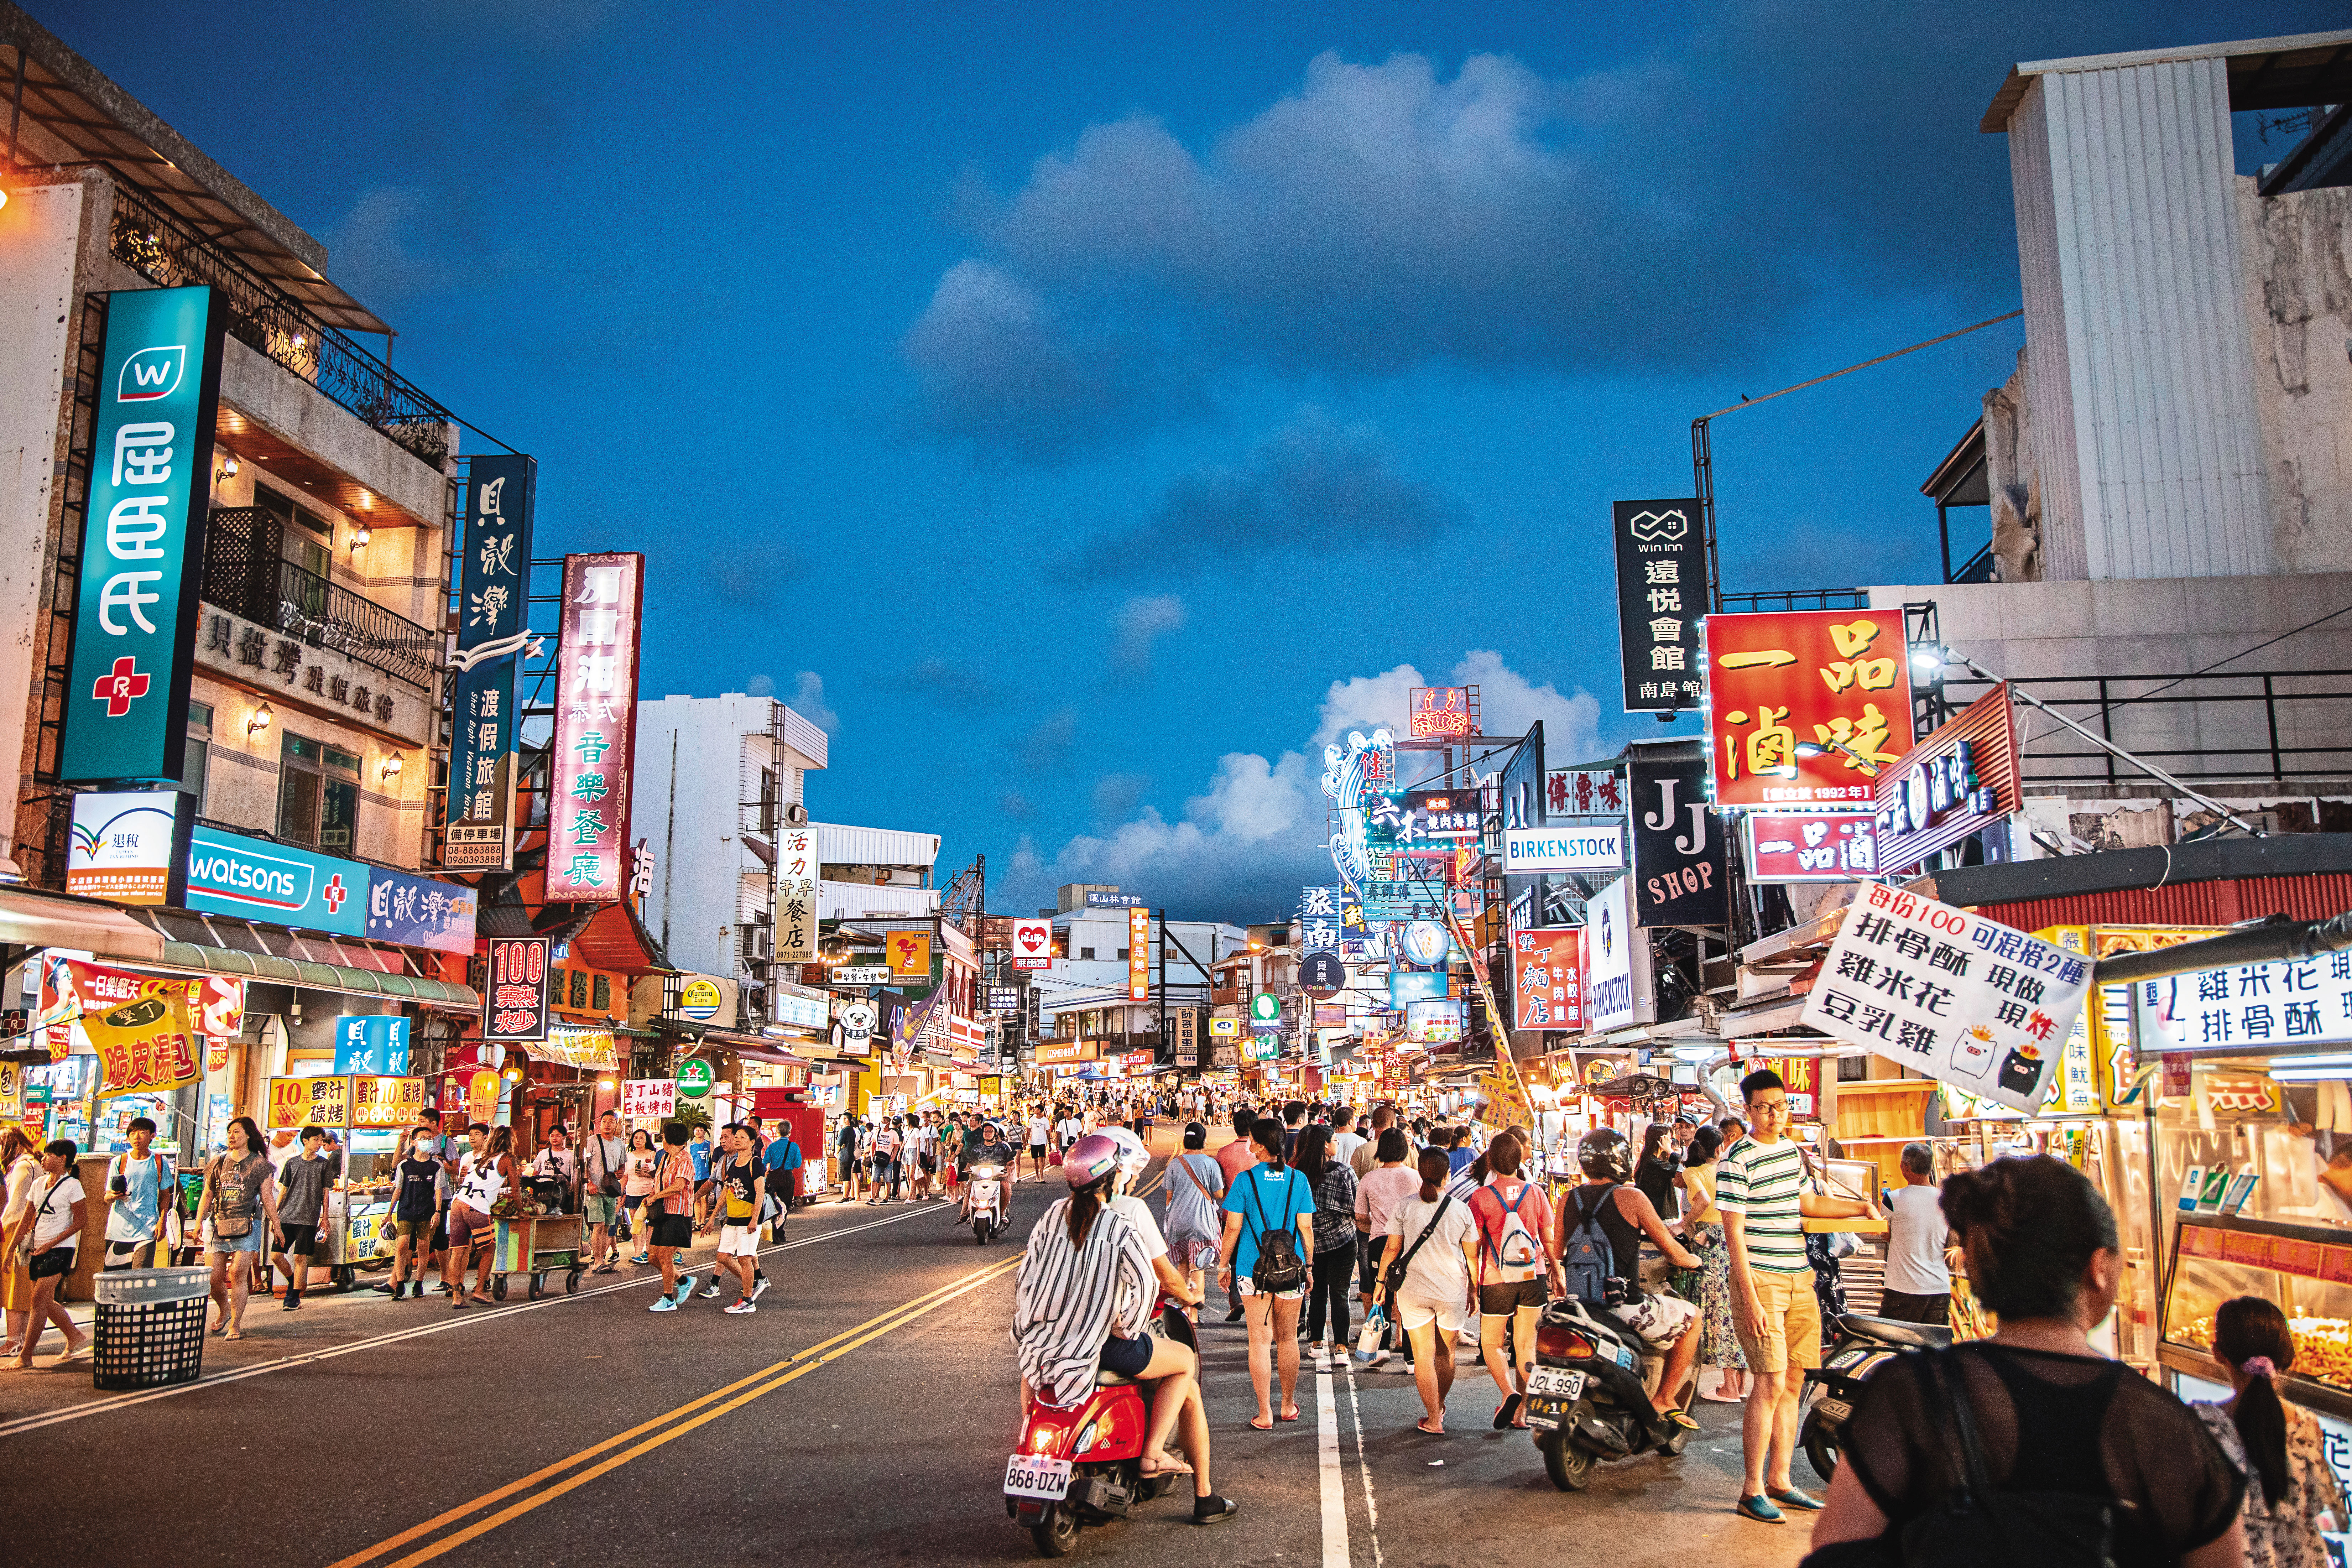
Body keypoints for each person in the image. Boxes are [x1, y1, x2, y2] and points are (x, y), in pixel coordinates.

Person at [1808, 1155, 2246, 1567]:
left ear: (1979, 1270)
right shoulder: (2166, 1427)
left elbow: (1835, 1549)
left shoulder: (1911, 1395)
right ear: (2099, 1267)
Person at [1012, 1132, 1236, 1525]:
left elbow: (1025, 1280)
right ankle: (1153, 1454)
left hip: (1043, 1343)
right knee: (1184, 1362)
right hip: (1100, 1347)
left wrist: (1034, 1328)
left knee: (1031, 1371)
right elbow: (1149, 1284)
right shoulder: (1116, 1224)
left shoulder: (1050, 1216)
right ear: (1112, 1177)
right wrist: (1126, 1328)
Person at [1717, 1069, 1875, 1524]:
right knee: (1766, 1382)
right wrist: (1750, 1299)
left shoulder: (1791, 1153)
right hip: (1761, 1280)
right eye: (1764, 1106)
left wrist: (1857, 1206)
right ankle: (1751, 1489)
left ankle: (1781, 1480)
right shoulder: (1736, 1159)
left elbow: (1806, 1205)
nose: (1774, 1114)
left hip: (1799, 1278)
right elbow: (1734, 1235)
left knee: (1793, 1381)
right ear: (1747, 1109)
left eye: (1780, 1105)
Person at [1559, 1127, 1705, 1430]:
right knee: (1694, 1318)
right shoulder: (1632, 1197)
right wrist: (1694, 1259)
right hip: (1624, 1308)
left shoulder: (1567, 1199)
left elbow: (1558, 1250)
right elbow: (1673, 1252)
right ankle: (1664, 1398)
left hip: (1579, 1306)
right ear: (1621, 1159)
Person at [2189, 1296, 2347, 1568]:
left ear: (2216, 1353)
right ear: (2286, 1356)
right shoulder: (2307, 1425)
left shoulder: (2200, 1424)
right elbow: (2322, 1510)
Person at [1217, 1117, 1318, 1431]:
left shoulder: (1245, 1180)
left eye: (1251, 1139)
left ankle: (1265, 1412)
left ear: (1259, 1145)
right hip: (1292, 1268)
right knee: (1288, 1339)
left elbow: (1233, 1226)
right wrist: (1310, 1266)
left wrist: (1223, 1265)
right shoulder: (1297, 1179)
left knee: (1259, 1341)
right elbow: (1305, 1228)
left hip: (1252, 1269)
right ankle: (1288, 1405)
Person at [1371, 1148, 1479, 1434]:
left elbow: (1392, 1249)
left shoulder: (1405, 1206)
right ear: (1447, 1176)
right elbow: (1471, 1258)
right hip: (1451, 1289)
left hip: (1413, 1289)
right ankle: (1439, 1406)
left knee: (1422, 1355)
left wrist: (1380, 1283)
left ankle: (1433, 1416)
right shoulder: (1461, 1209)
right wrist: (1474, 1290)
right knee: (1446, 1355)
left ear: (1420, 1173)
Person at [1467, 1132, 1558, 1428]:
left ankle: (1509, 1393)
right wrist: (1557, 1271)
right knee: (1526, 1345)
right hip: (1533, 1276)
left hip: (1496, 1279)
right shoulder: (1536, 1193)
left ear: (1490, 1161)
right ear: (1521, 1160)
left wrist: (1472, 1285)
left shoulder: (1480, 1197)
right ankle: (1525, 1413)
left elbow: (1474, 1247)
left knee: (1493, 1342)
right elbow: (1549, 1238)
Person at [1676, 1124, 1747, 1402]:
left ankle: (1729, 1386)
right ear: (1720, 1148)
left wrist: (1683, 1224)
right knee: (1732, 1311)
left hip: (1710, 1240)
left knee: (1717, 1313)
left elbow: (1702, 1201)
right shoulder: (1729, 1170)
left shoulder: (1693, 1173)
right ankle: (1739, 1385)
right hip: (1733, 1238)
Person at [196, 1116, 280, 1341]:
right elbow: (207, 1194)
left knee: (237, 1273)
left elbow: (267, 1198)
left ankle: (235, 1323)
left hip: (247, 1224)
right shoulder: (217, 1162)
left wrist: (277, 1225)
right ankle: (224, 1310)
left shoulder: (260, 1165)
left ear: (248, 1136)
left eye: (236, 1132)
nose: (231, 1137)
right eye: (229, 1133)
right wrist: (198, 1222)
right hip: (217, 1224)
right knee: (213, 1278)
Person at [11, 1140, 91, 1367]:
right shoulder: (38, 1184)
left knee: (38, 1300)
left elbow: (81, 1221)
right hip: (38, 1247)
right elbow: (26, 1220)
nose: (44, 1158)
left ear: (63, 1158)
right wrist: (10, 1252)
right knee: (43, 1300)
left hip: (61, 1248)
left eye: (49, 1155)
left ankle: (26, 1356)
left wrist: (52, 1244)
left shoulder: (73, 1185)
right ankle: (75, 1337)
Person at [1352, 1128, 1418, 1364]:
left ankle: (1381, 1349)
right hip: (1410, 1244)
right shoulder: (1415, 1177)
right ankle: (1411, 1358)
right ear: (1404, 1150)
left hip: (1379, 1241)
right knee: (1409, 1299)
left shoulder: (1369, 1179)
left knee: (1383, 1296)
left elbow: (1360, 1215)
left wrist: (1380, 1221)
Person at [1292, 1125, 1358, 1358]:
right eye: (1334, 1140)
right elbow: (1356, 1208)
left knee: (1317, 1293)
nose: (1337, 1144)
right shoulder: (1343, 1172)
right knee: (1341, 1293)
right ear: (1325, 1145)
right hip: (1343, 1240)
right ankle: (1341, 1346)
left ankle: (1317, 1342)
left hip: (1310, 1244)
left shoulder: (1297, 1174)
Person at [1877, 1141, 1954, 1325]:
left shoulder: (1891, 1200)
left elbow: (1885, 1235)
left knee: (1893, 1347)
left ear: (1904, 1167)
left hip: (1902, 1290)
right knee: (1933, 1350)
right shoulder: (1947, 1201)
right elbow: (1951, 1242)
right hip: (1939, 1289)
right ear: (1930, 1168)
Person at [269, 1124, 335, 1311]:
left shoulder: (324, 1164)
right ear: (305, 1141)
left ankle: (294, 1296)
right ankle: (293, 1282)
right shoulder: (292, 1163)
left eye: (322, 1140)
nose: (320, 1143)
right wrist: (275, 1216)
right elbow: (283, 1190)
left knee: (300, 1257)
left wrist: (325, 1218)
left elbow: (325, 1192)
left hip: (308, 1218)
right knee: (276, 1256)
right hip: (287, 1216)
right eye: (317, 1140)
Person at [450, 1124, 516, 1308]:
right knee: (489, 1248)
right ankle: (479, 1291)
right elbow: (516, 1190)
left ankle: (456, 1297)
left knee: (458, 1250)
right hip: (477, 1206)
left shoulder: (480, 1156)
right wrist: (521, 1212)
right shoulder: (508, 1158)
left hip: (458, 1202)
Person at [1162, 1122, 1227, 1306]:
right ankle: (1195, 1314)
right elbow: (1218, 1194)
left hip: (1178, 1220)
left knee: (1182, 1263)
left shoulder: (1175, 1163)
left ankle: (1182, 1310)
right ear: (1204, 1141)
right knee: (1199, 1264)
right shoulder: (1210, 1163)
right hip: (1201, 1221)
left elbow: (1169, 1197)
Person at [101, 1115, 174, 1271]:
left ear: (152, 1136)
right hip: (118, 1230)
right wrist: (114, 1196)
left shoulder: (159, 1162)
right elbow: (107, 1197)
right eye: (133, 1133)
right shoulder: (119, 1161)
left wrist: (162, 1222)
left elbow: (165, 1196)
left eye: (142, 1132)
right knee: (116, 1281)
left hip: (147, 1229)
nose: (137, 1137)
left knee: (141, 1277)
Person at [384, 1129, 448, 1300]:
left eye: (429, 1139)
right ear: (414, 1141)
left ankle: (419, 1283)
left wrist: (438, 1212)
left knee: (423, 1248)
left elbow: (439, 1191)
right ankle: (399, 1285)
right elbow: (398, 1189)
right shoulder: (404, 1165)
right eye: (422, 1138)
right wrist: (389, 1213)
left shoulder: (437, 1166)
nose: (426, 1141)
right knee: (402, 1245)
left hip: (427, 1212)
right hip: (406, 1210)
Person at [710, 1125, 765, 1315]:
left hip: (749, 1219)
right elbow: (726, 1192)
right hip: (732, 1218)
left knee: (744, 1257)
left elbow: (760, 1193)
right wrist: (711, 1219)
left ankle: (748, 1300)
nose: (737, 1140)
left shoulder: (755, 1163)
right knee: (723, 1256)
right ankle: (751, 1283)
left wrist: (754, 1219)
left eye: (742, 1137)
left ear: (752, 1142)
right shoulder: (733, 1164)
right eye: (737, 1137)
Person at [646, 1123, 700, 1312]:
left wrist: (655, 1197)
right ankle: (684, 1281)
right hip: (663, 1212)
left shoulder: (685, 1159)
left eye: (663, 1134)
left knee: (665, 1256)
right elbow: (660, 1182)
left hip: (678, 1212)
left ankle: (668, 1299)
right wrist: (652, 1194)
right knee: (652, 1256)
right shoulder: (666, 1157)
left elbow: (678, 1186)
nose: (662, 1137)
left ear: (668, 1138)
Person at [1, 1127, 41, 1356]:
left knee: (13, 1286)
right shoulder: (33, 1163)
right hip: (30, 1230)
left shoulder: (22, 1166)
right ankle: (21, 1337)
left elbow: (14, 1207)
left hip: (15, 1231)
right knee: (23, 1286)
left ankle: (14, 1339)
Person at [582, 1110, 627, 1272]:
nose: (607, 1125)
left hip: (611, 1190)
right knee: (599, 1225)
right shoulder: (592, 1141)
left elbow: (622, 1165)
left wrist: (620, 1173)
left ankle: (601, 1260)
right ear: (600, 1124)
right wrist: (589, 1183)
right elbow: (583, 1165)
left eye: (610, 1122)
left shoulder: (619, 1143)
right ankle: (598, 1261)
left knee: (608, 1226)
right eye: (604, 1122)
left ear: (617, 1124)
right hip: (595, 1190)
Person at [621, 1129, 659, 1259]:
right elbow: (625, 1177)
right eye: (636, 1138)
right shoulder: (629, 1156)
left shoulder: (653, 1155)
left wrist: (646, 1174)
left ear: (647, 1140)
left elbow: (659, 1176)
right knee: (637, 1224)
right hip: (633, 1193)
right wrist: (620, 1194)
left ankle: (649, 1252)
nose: (638, 1140)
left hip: (649, 1193)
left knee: (650, 1224)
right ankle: (638, 1252)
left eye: (642, 1138)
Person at [1634, 1121, 1682, 1223]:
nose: (1671, 1142)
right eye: (1670, 1138)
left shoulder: (1649, 1160)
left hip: (1653, 1215)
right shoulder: (1653, 1163)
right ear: (1661, 1140)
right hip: (1658, 1217)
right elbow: (1680, 1169)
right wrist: (1670, 1151)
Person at [761, 1122, 802, 1240]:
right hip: (787, 1178)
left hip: (773, 1178)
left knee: (773, 1205)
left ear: (778, 1132)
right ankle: (779, 1232)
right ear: (790, 1132)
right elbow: (798, 1164)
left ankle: (773, 1230)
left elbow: (764, 1163)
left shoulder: (772, 1147)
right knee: (785, 1206)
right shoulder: (794, 1147)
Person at [1351, 1106, 1392, 1181]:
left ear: (1372, 1124)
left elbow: (1353, 1181)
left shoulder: (1361, 1151)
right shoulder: (1407, 1151)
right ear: (1393, 1124)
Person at [688, 1123, 716, 1226]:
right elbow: (690, 1162)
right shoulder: (691, 1147)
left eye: (700, 1130)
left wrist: (713, 1173)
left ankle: (703, 1221)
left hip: (706, 1176)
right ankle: (698, 1223)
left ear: (704, 1132)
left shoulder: (709, 1145)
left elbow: (714, 1161)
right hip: (695, 1177)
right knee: (696, 1199)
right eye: (696, 1130)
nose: (698, 1132)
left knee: (705, 1198)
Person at [1328, 1105, 1365, 1172]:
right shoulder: (1361, 1141)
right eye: (1355, 1119)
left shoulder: (1329, 1140)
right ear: (1350, 1122)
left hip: (1332, 1179)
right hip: (1352, 1179)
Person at [836, 1115, 862, 1204]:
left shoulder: (845, 1131)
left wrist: (836, 1153)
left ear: (846, 1120)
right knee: (849, 1177)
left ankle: (846, 1197)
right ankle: (848, 1196)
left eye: (841, 1119)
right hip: (850, 1156)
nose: (840, 1121)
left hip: (845, 1156)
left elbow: (839, 1144)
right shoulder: (852, 1131)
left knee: (846, 1177)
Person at [1025, 1109, 1051, 1180]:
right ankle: (1037, 1176)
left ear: (1040, 1111)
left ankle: (1042, 1177)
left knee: (1041, 1159)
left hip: (1042, 1142)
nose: (1035, 1110)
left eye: (1036, 1109)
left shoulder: (1045, 1120)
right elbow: (1029, 1130)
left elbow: (1048, 1131)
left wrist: (1050, 1143)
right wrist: (1026, 1141)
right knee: (1035, 1160)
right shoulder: (1032, 1119)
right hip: (1034, 1142)